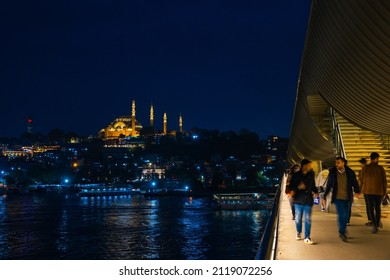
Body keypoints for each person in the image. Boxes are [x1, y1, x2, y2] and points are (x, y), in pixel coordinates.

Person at [324, 157, 360, 242]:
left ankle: (343, 229)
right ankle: (342, 232)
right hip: (338, 198)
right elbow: (329, 185)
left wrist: (357, 191)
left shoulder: (350, 172)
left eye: (338, 163)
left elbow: (354, 182)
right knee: (342, 215)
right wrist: (325, 196)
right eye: (336, 163)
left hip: (347, 197)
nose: (337, 165)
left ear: (343, 163)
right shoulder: (333, 173)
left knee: (346, 216)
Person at [289, 159, 318, 245]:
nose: (311, 167)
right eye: (309, 165)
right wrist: (298, 187)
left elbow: (313, 185)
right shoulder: (296, 175)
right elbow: (291, 187)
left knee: (308, 219)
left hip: (308, 200)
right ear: (304, 166)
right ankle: (298, 232)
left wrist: (316, 192)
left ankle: (307, 237)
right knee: (298, 219)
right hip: (298, 201)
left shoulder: (311, 175)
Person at [360, 152, 387, 234]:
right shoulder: (380, 168)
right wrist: (384, 191)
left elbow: (361, 179)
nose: (378, 160)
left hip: (367, 191)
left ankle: (374, 225)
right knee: (377, 208)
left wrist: (361, 189)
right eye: (377, 158)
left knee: (370, 208)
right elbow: (384, 181)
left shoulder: (365, 168)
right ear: (375, 159)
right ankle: (377, 223)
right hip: (378, 191)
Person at [358, 158, 371, 226]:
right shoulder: (372, 169)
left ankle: (370, 220)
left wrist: (359, 190)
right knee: (374, 206)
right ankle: (375, 220)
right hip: (374, 190)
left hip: (366, 190)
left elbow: (361, 181)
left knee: (369, 206)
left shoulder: (363, 170)